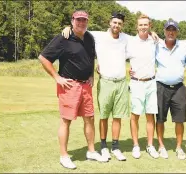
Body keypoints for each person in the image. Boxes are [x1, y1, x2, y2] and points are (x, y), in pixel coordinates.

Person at [62, 12, 160, 161]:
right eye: (114, 22)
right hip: (106, 81)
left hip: (121, 82)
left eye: (119, 23)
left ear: (123, 25)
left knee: (118, 117)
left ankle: (115, 147)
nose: (117, 25)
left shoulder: (126, 38)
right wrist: (68, 27)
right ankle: (103, 146)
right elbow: (80, 29)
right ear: (110, 23)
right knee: (104, 116)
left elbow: (142, 35)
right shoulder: (98, 35)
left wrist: (152, 33)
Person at [38, 10, 108, 169]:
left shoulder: (90, 38)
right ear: (72, 21)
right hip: (69, 86)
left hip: (86, 85)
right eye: (78, 20)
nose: (81, 23)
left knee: (89, 118)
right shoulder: (63, 37)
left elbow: (90, 59)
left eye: (84, 20)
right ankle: (64, 155)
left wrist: (91, 75)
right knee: (66, 121)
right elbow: (43, 58)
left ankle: (91, 151)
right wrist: (57, 77)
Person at [155, 20, 186, 160]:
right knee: (160, 119)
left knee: (179, 120)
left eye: (173, 30)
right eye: (168, 29)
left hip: (178, 88)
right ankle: (161, 147)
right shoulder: (157, 45)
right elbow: (143, 34)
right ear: (164, 31)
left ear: (177, 32)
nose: (170, 32)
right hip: (160, 87)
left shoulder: (185, 47)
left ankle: (178, 147)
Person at [127, 14, 159, 159]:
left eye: (146, 25)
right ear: (137, 26)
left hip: (151, 82)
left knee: (150, 116)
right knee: (135, 115)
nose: (143, 27)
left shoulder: (155, 40)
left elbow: (171, 41)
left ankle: (150, 145)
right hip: (136, 83)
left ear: (149, 26)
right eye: (141, 25)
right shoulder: (130, 42)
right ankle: (135, 146)